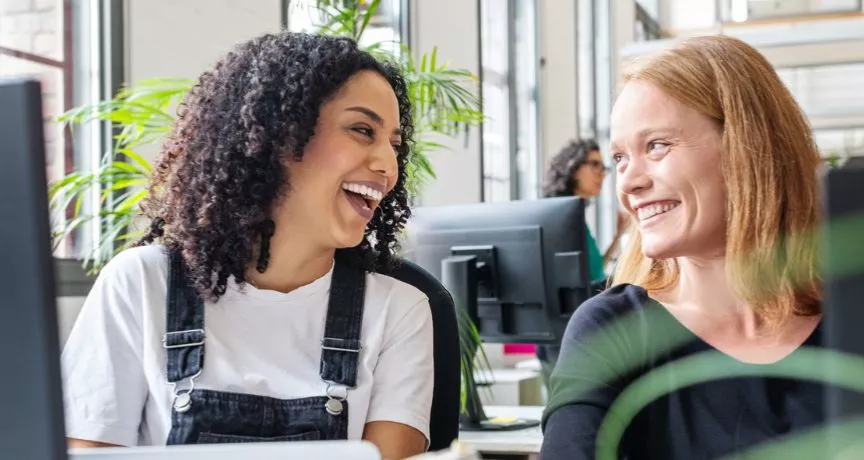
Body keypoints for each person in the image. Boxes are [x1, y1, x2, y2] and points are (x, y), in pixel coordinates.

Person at [61, 31, 433, 460]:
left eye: (394, 145)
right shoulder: (139, 284)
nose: (388, 166)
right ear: (277, 135)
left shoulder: (399, 311)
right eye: (362, 130)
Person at [540, 35, 825, 459]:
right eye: (620, 158)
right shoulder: (612, 330)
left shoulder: (850, 322)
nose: (629, 182)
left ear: (747, 147)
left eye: (656, 145)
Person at [536, 139, 629, 389]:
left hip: (582, 317)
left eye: (604, 167)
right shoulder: (559, 218)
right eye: (595, 165)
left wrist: (619, 236)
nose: (602, 174)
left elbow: (591, 268)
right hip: (563, 329)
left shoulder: (575, 217)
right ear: (573, 167)